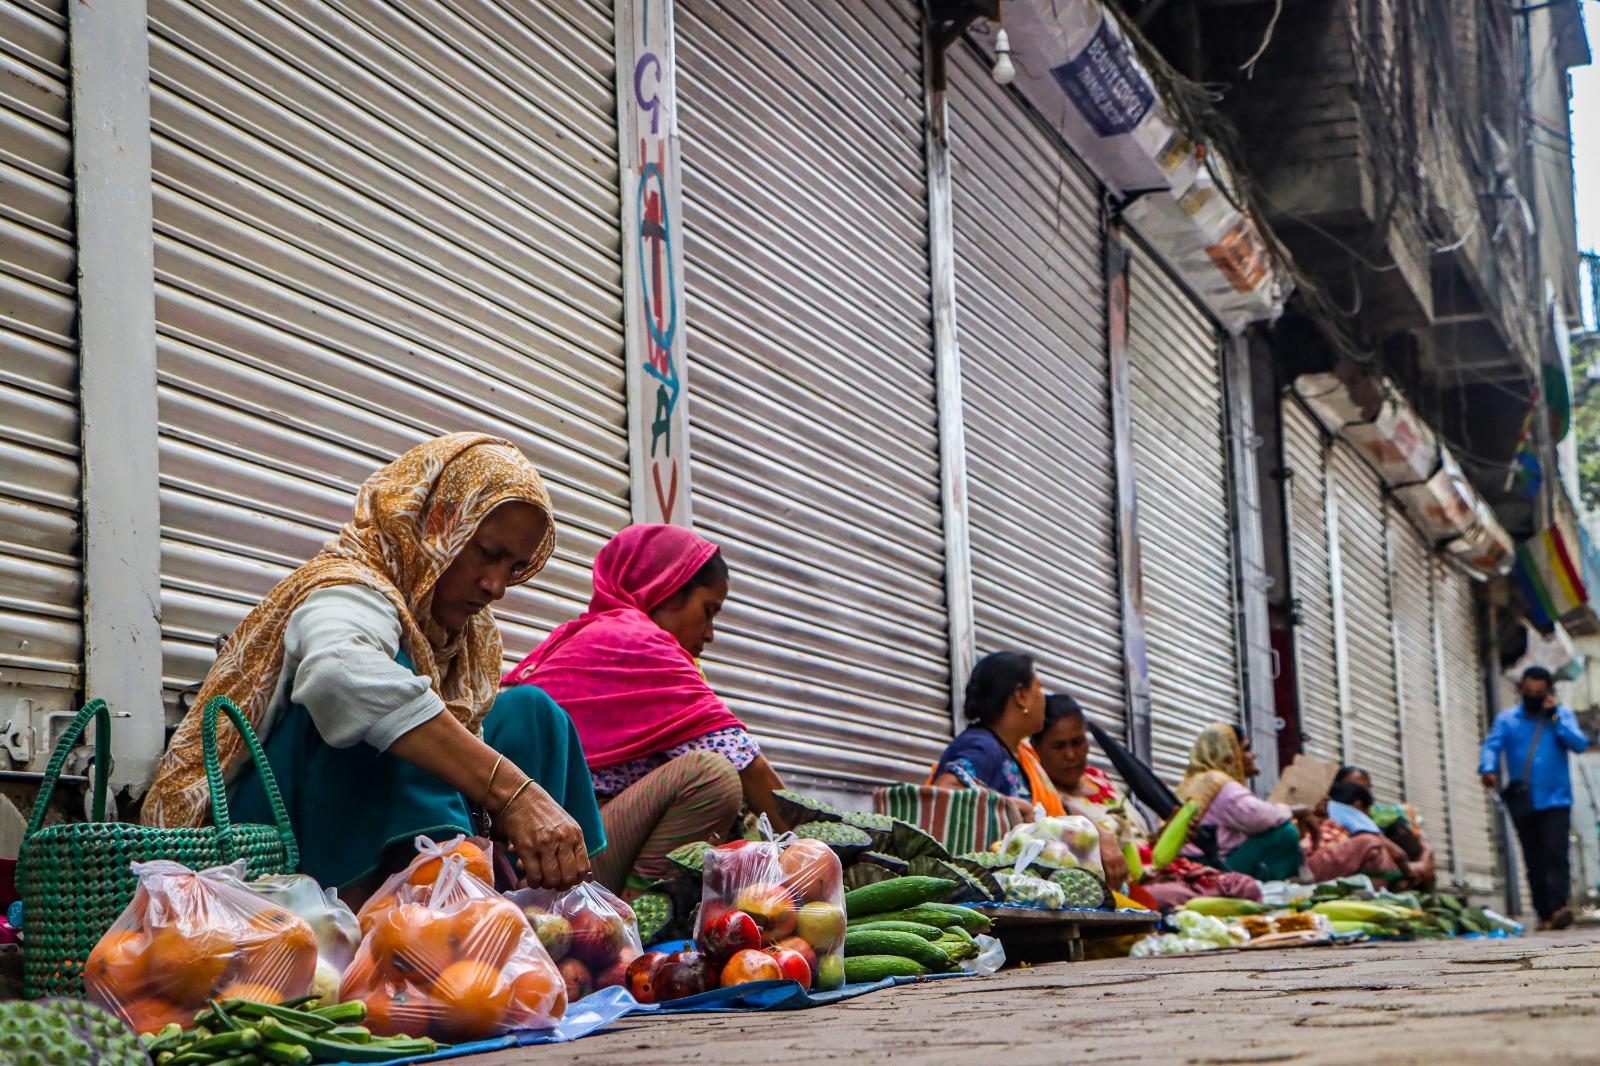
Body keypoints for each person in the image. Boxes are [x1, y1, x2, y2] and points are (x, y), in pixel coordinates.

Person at [140, 434, 604, 896]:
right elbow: (337, 672)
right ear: (436, 527)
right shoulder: (347, 586)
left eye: (514, 568)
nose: (496, 586)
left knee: (532, 712)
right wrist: (513, 792)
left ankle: (562, 907)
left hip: (359, 825)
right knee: (384, 693)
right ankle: (444, 906)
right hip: (264, 848)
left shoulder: (463, 636)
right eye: (486, 553)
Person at [501, 524, 786, 895]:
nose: (711, 633)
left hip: (556, 851)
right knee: (711, 776)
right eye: (708, 611)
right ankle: (634, 926)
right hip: (562, 862)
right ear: (666, 594)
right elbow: (749, 768)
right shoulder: (639, 644)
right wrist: (823, 854)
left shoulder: (586, 637)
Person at [1033, 696, 1256, 907]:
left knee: (1244, 886)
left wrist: (1167, 835)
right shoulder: (1048, 799)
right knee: (1169, 899)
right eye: (1059, 746)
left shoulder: (1100, 781)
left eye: (1078, 742)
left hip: (1164, 875)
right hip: (1127, 891)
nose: (1071, 754)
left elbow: (1136, 843)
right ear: (1037, 748)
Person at [933, 655, 1128, 886]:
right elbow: (945, 790)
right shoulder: (982, 745)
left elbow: (1057, 814)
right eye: (1039, 687)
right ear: (1021, 696)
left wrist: (1100, 835)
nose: (1042, 698)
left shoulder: (1020, 754)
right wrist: (1008, 805)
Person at [1480, 666, 1590, 930]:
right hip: (1524, 799)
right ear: (1520, 690)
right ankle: (1544, 914)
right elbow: (1492, 745)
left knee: (1556, 853)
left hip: (1557, 799)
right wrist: (1488, 768)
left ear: (1549, 693)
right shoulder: (1508, 720)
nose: (1533, 697)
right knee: (1534, 857)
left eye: (1539, 693)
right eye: (1529, 692)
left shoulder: (1560, 717)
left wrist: (1555, 719)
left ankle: (1559, 908)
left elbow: (1579, 744)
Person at [1177, 722, 1308, 882]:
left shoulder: (1193, 782)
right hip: (1213, 867)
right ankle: (1270, 887)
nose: (1253, 755)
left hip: (1188, 863)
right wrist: (1296, 810)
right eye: (1246, 749)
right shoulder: (1220, 784)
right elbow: (1261, 817)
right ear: (1228, 754)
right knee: (1285, 832)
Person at [1333, 764, 1435, 888]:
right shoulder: (1350, 814)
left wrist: (1424, 858)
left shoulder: (1378, 813)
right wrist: (1411, 871)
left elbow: (1417, 834)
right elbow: (1397, 854)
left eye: (1365, 788)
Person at [1302, 780, 1417, 883]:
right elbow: (1398, 854)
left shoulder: (1324, 811)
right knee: (1373, 844)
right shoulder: (1353, 813)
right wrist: (1410, 875)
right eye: (1368, 813)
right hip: (1319, 867)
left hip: (1303, 864)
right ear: (1359, 804)